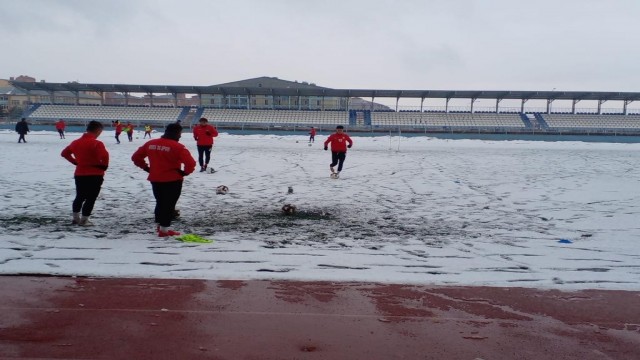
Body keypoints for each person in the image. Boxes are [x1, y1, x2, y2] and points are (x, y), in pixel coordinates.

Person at [131, 123, 196, 237]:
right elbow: (191, 163)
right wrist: (185, 172)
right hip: (172, 179)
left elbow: (136, 157)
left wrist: (147, 168)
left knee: (160, 202)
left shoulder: (151, 143)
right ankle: (164, 230)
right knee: (169, 204)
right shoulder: (178, 147)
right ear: (177, 133)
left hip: (155, 178)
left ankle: (159, 225)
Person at [60, 121, 109, 226]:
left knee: (80, 196)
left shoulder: (75, 142)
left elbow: (64, 153)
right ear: (98, 130)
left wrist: (75, 162)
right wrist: (104, 166)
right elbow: (104, 156)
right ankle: (84, 220)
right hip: (95, 174)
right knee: (91, 198)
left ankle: (75, 218)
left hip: (80, 173)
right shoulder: (97, 143)